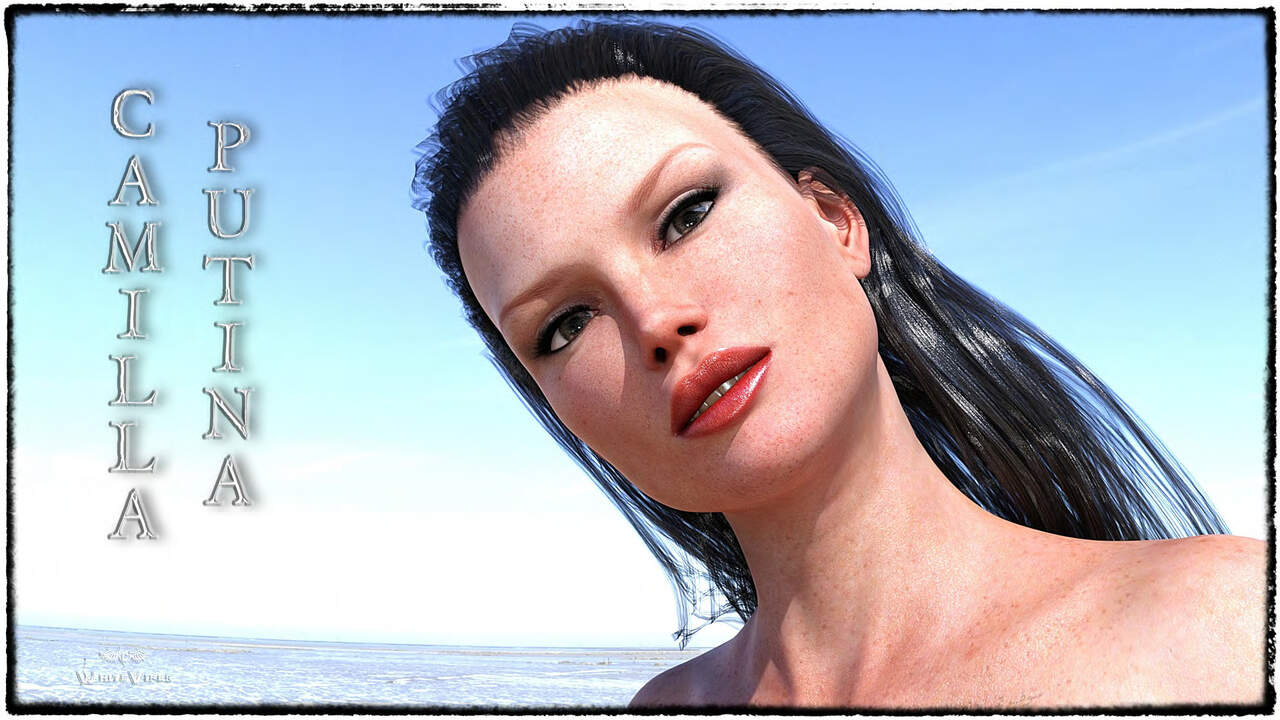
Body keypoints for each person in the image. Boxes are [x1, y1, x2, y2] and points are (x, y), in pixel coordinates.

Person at [411, 20, 1265, 709]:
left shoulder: (1224, 628)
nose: (655, 322)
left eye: (687, 214)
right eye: (566, 325)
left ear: (834, 219)